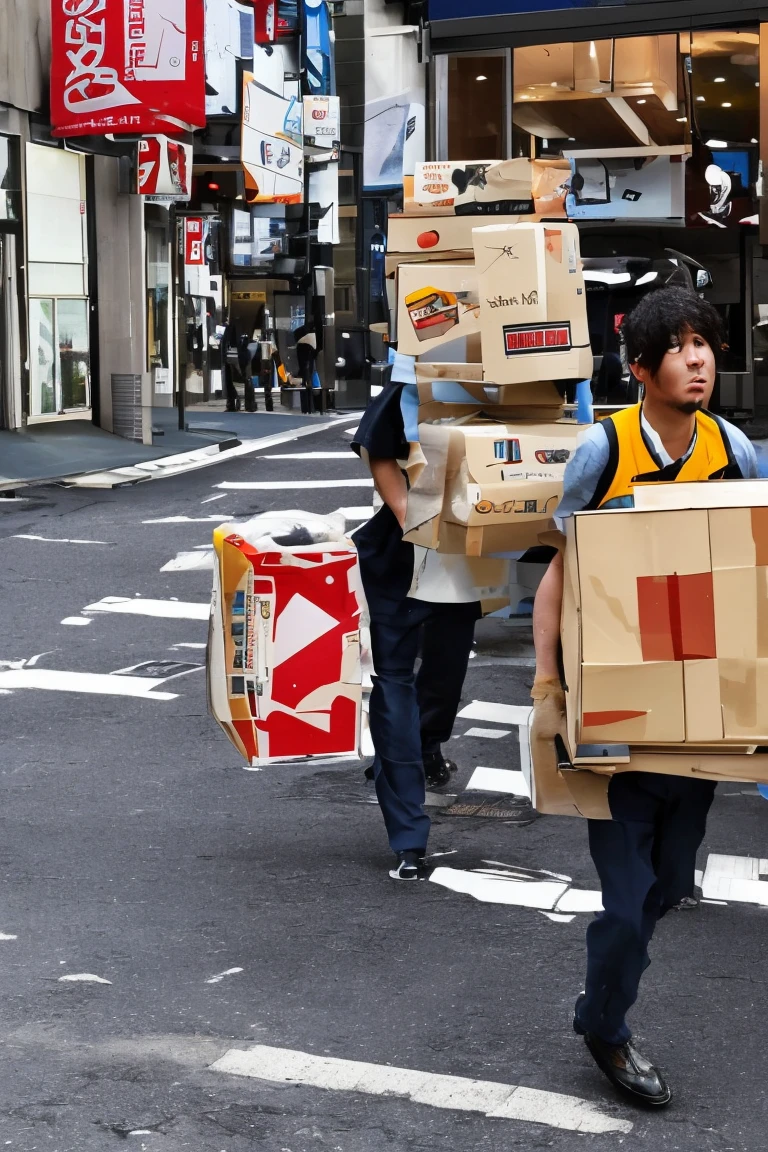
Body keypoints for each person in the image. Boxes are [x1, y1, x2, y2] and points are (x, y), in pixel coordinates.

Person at [531, 287, 758, 1106]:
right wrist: (547, 684)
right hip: (616, 711)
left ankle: (597, 1004)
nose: (699, 360)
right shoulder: (604, 449)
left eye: (706, 344)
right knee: (627, 907)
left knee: (668, 885)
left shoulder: (733, 449)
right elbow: (561, 568)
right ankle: (608, 1029)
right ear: (640, 368)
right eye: (681, 346)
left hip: (699, 712)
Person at [352, 352, 534, 881]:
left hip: (463, 562)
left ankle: (426, 745)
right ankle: (408, 835)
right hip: (402, 557)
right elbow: (377, 448)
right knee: (394, 684)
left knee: (446, 675)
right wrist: (411, 515)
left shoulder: (519, 382)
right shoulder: (418, 372)